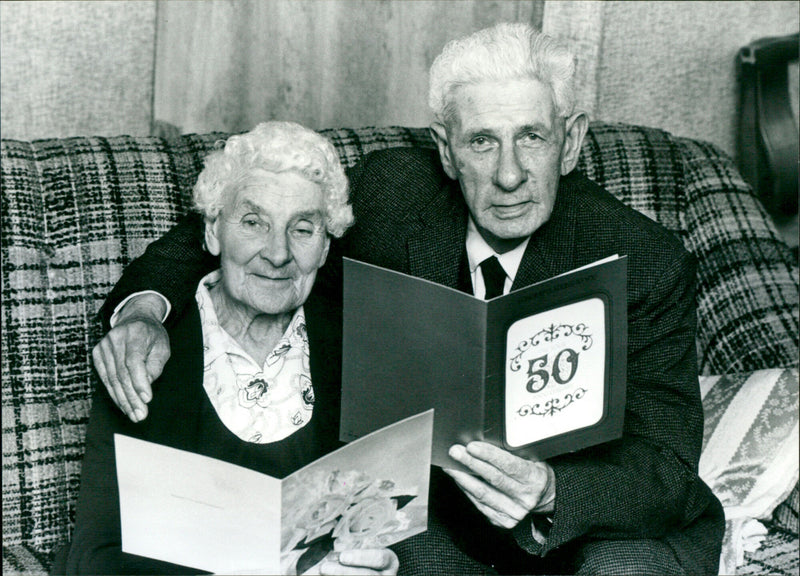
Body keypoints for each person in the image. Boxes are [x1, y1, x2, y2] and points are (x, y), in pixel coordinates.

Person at [89, 24, 725, 575]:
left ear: (572, 141)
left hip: (600, 533)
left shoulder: (644, 259)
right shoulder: (393, 196)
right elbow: (243, 231)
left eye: (532, 137)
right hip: (445, 532)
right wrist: (145, 308)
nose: (509, 175)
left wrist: (551, 491)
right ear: (446, 150)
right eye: (482, 141)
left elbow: (667, 468)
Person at [52, 122, 401, 575]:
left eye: (302, 229)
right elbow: (95, 554)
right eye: (253, 223)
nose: (277, 253)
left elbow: (387, 518)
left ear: (325, 247)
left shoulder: (362, 347)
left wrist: (376, 564)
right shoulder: (143, 350)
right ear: (214, 231)